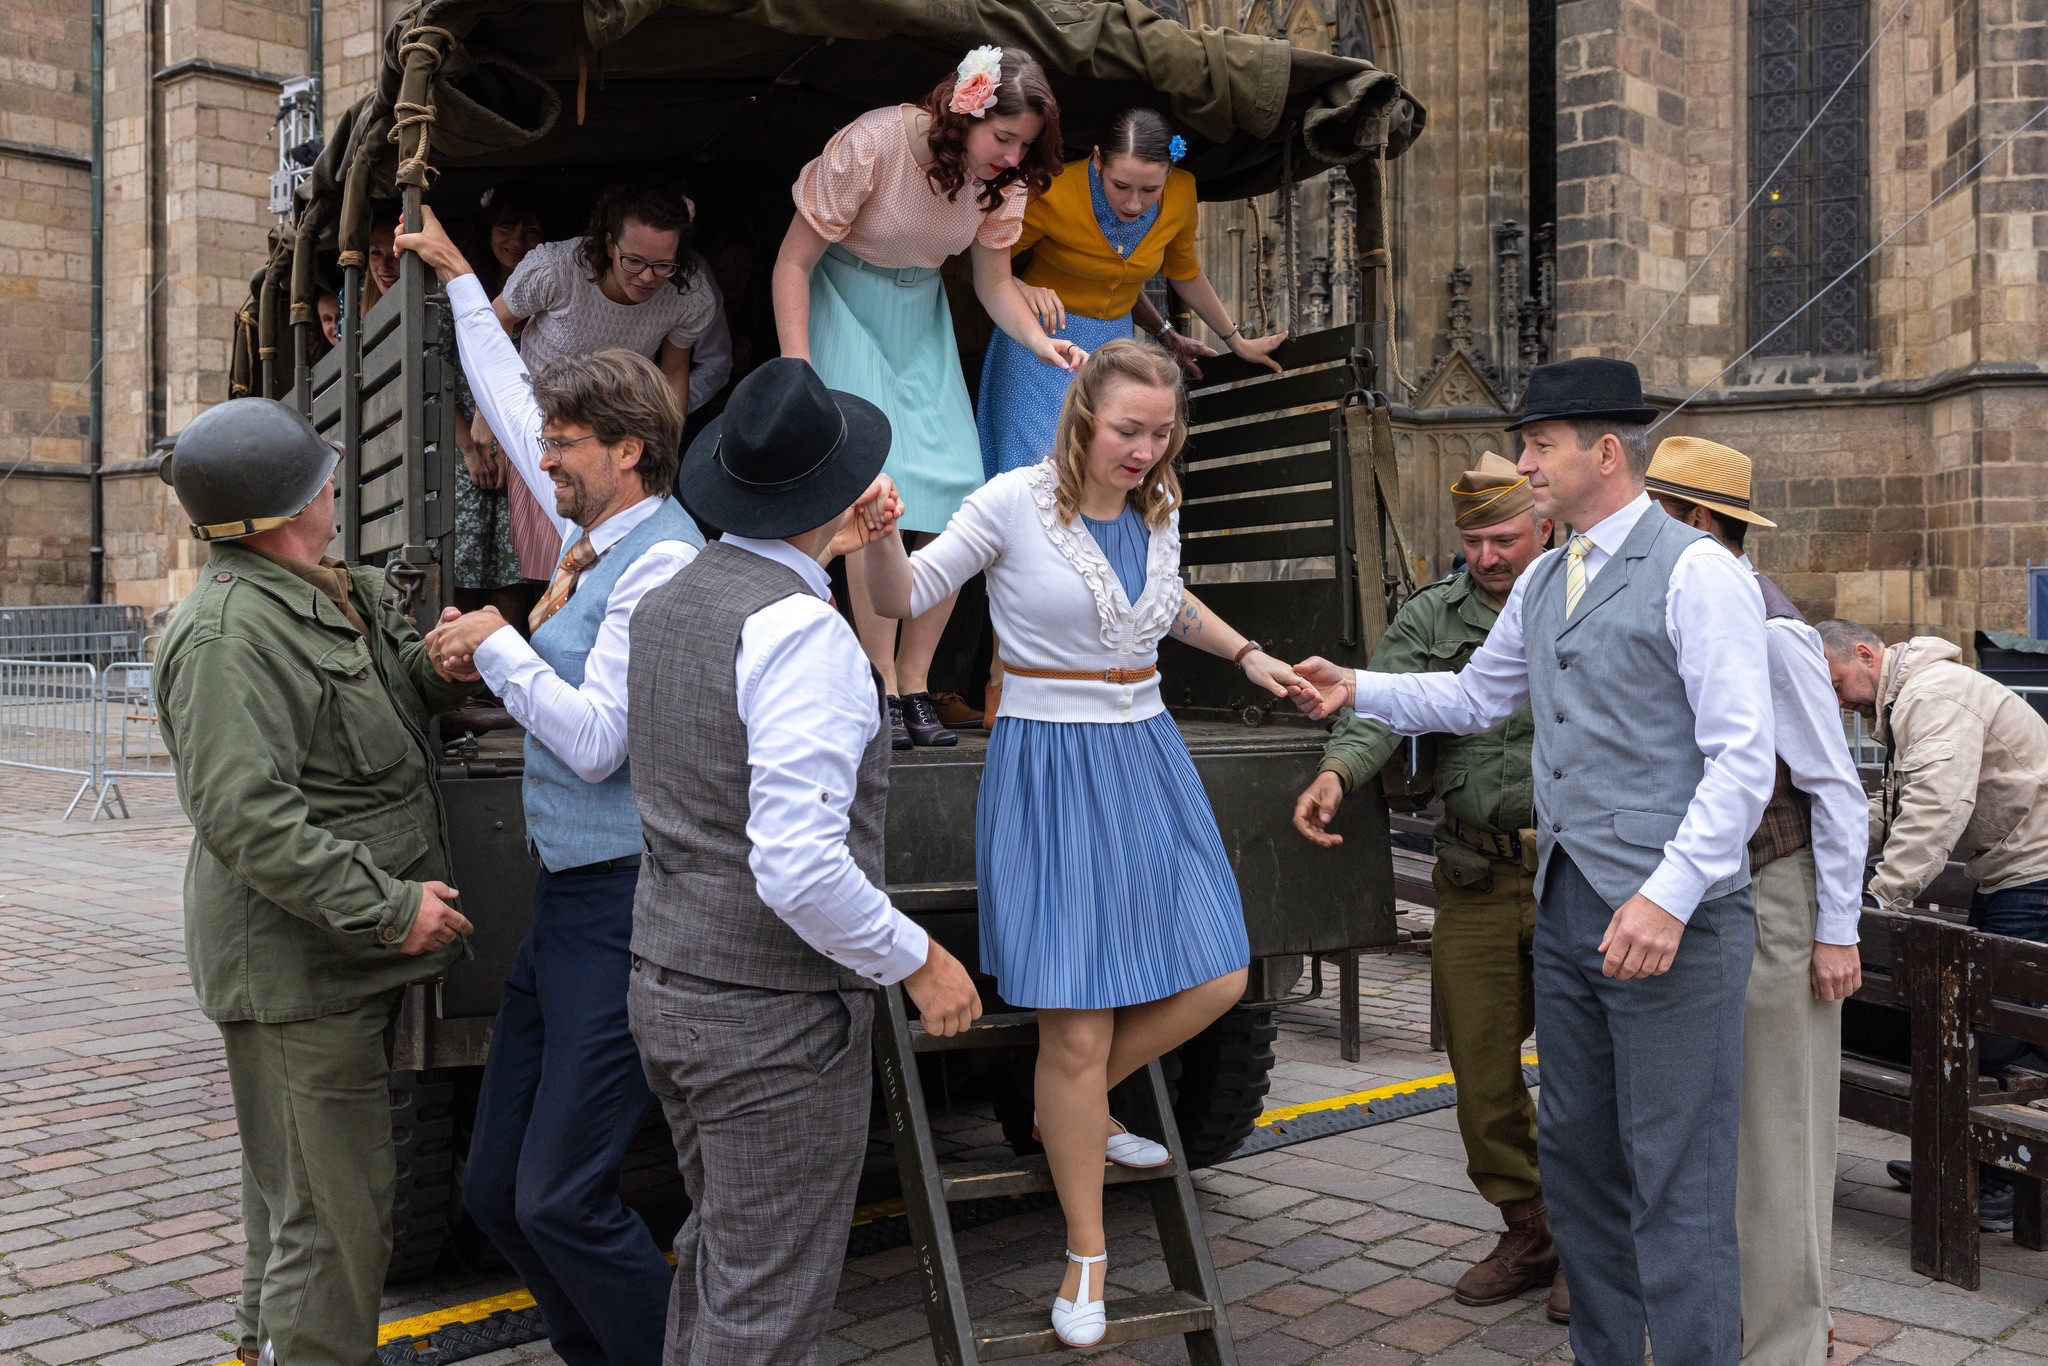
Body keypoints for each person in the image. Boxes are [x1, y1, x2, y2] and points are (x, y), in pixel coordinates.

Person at [1291, 357, 1777, 1366]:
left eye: (1538, 445)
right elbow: (1474, 696)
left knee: (1676, 1177)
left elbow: (1742, 760)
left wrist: (1667, 897)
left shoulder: (1699, 572)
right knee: (1579, 1164)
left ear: (1605, 454)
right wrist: (1358, 687)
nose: (1522, 464)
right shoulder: (1550, 577)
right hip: (1569, 909)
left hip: (1671, 923)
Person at [861, 339, 1293, 1346]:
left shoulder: (1158, 505)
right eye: (1128, 430)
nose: (1145, 449)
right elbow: (900, 595)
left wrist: (1247, 653)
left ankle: (1073, 1104)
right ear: (1083, 417)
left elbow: (1164, 605)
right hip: (1050, 764)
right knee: (1077, 1028)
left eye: (1161, 432)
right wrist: (878, 536)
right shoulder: (1011, 501)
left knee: (1221, 974)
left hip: (1147, 751)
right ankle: (1086, 1254)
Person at [397, 205, 705, 1366]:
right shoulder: (600, 538)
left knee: (564, 1196)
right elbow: (507, 390)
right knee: (495, 1192)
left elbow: (598, 743)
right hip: (567, 904)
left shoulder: (660, 563)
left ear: (626, 451)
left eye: (562, 444)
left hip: (627, 905)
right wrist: (457, 279)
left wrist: (499, 644)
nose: (542, 456)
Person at [628, 357, 981, 1361]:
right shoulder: (803, 636)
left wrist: (839, 541)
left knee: (719, 1265)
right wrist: (919, 957)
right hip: (770, 1018)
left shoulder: (668, 596)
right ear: (835, 487)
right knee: (765, 1308)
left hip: (668, 982)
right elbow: (798, 866)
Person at [151, 398, 477, 1366]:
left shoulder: (316, 589)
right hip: (295, 972)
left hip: (322, 963)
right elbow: (245, 815)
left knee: (298, 1207)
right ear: (293, 504)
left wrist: (441, 666)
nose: (336, 488)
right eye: (323, 479)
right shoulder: (228, 635)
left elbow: (379, 707)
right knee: (333, 1229)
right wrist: (389, 907)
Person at [1292, 450, 1566, 1322]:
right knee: (1481, 1074)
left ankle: (1591, 1243)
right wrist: (1337, 773)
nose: (1487, 557)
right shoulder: (1433, 614)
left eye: (1504, 539)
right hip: (1476, 874)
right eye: (1473, 542)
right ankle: (1530, 1227)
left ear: (1544, 527)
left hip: (1574, 877)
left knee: (1584, 1074)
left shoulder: (1580, 596)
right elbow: (1383, 706)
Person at [773, 45, 1083, 749]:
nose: (1013, 156)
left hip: (921, 315)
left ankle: (916, 679)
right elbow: (792, 262)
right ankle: (878, 681)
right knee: (879, 488)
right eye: (1004, 137)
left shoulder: (1004, 181)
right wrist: (798, 369)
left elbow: (994, 282)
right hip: (841, 296)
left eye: (1026, 144)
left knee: (957, 489)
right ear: (964, 110)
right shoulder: (873, 143)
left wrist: (1042, 343)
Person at [1645, 437, 1865, 1366]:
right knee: (1721, 1133)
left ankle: (1788, 1344)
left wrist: (1836, 931)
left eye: (1655, 513)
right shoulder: (1688, 603)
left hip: (1777, 897)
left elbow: (1836, 787)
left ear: (1698, 522)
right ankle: (1736, 1324)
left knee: (1781, 1137)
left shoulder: (1770, 628)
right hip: (1709, 895)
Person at [1820, 615, 2048, 1227]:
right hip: (2008, 869)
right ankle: (1970, 1163)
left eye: (1836, 682)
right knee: (1989, 1021)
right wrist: (1830, 837)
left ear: (1865, 654)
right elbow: (1898, 804)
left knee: (2007, 1031)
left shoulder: (1932, 695)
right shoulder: (1910, 699)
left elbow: (1934, 812)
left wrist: (1879, 900)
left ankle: (2008, 1180)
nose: (1836, 701)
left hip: (2035, 871)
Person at [978, 107, 1286, 477]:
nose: (1134, 203)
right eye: (1121, 186)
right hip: (1039, 343)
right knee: (1037, 472)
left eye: (1150, 190)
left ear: (1169, 173)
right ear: (1097, 160)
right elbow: (980, 264)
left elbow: (1185, 273)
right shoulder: (1052, 190)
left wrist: (1236, 341)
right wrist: (1023, 288)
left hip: (1114, 351)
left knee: (1105, 468)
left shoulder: (1182, 192)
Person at [498, 177, 720, 580]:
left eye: (663, 265)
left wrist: (664, 453)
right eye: (634, 261)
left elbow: (673, 372)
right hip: (539, 422)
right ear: (607, 245)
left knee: (609, 555)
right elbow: (494, 322)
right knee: (547, 558)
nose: (648, 277)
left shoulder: (687, 295)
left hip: (616, 431)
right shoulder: (557, 270)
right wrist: (488, 413)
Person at [449, 182, 547, 626]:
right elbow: (437, 381)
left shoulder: (547, 302)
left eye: (531, 231)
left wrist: (514, 449)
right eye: (507, 226)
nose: (517, 239)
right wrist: (470, 451)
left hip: (525, 444)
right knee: (461, 558)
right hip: (462, 445)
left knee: (515, 564)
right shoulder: (461, 297)